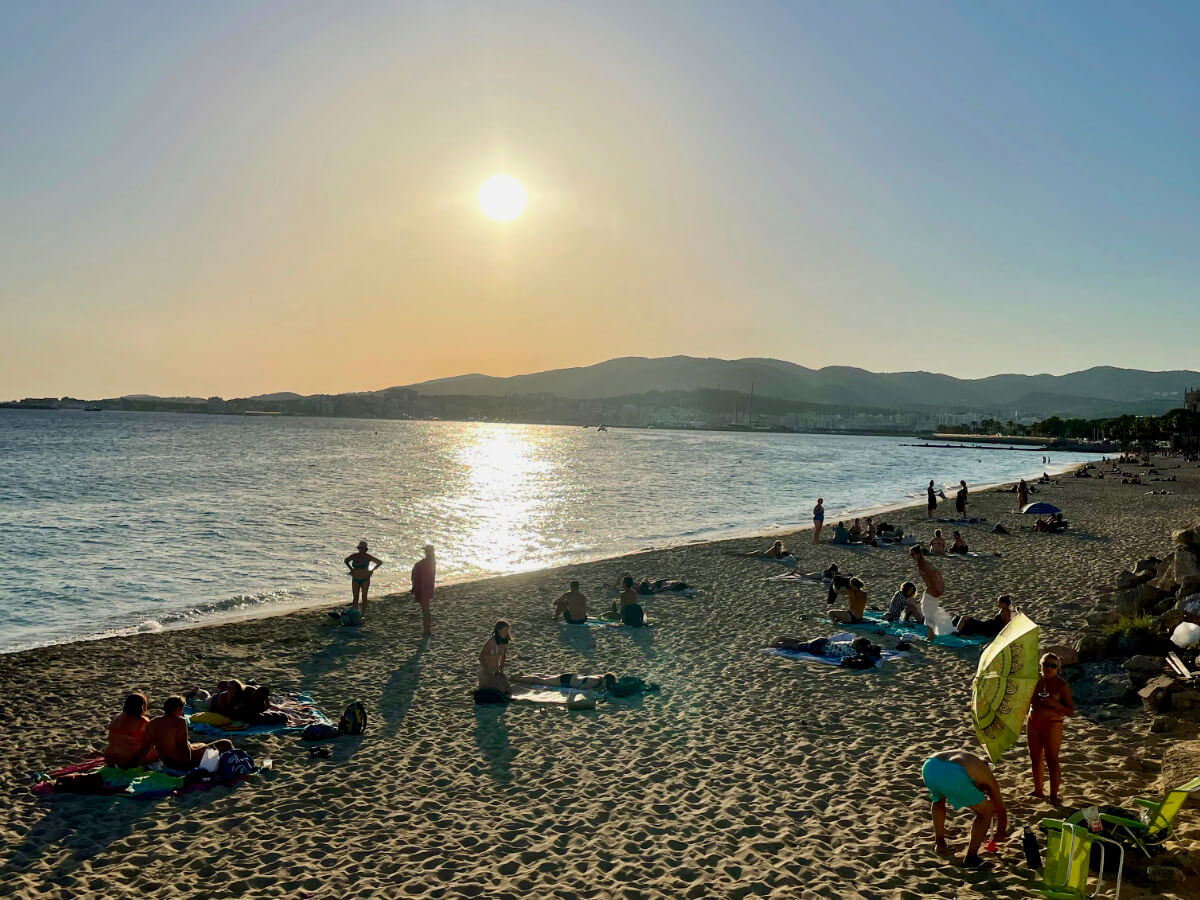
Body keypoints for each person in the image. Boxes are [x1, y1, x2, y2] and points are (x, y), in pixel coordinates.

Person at [922, 749, 1008, 868]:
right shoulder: (987, 775)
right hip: (954, 774)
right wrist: (1001, 831)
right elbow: (1000, 807)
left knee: (938, 800)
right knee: (986, 812)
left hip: (930, 766)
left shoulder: (970, 759)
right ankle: (971, 858)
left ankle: (940, 844)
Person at [1027, 652, 1074, 805]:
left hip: (1052, 724)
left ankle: (1054, 795)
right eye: (1046, 664)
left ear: (1057, 669)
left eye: (1053, 666)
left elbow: (1070, 710)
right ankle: (1038, 790)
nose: (1048, 668)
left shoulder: (1061, 685)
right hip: (1033, 722)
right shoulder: (1034, 681)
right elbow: (1025, 701)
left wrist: (1056, 705)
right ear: (1040, 665)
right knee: (1035, 757)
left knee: (1052, 760)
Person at [146, 696, 233, 771]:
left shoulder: (152, 723)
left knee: (200, 744)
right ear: (177, 709)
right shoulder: (179, 721)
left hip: (167, 762)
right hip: (182, 763)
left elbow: (148, 747)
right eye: (182, 710)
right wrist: (189, 766)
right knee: (226, 743)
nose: (182, 713)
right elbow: (183, 746)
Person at [105, 693, 151, 768]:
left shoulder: (116, 718)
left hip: (109, 759)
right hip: (126, 762)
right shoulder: (143, 722)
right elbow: (148, 745)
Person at [344, 541, 383, 617]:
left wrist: (372, 570)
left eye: (363, 549)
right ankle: (355, 612)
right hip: (355, 578)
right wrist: (351, 569)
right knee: (355, 596)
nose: (361, 550)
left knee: (364, 596)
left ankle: (363, 614)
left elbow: (379, 562)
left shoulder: (368, 557)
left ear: (366, 549)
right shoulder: (354, 556)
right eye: (360, 548)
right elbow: (346, 561)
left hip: (365, 578)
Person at [478, 621, 511, 693]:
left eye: (507, 631)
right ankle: (484, 687)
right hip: (485, 672)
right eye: (505, 630)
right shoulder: (491, 642)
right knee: (501, 690)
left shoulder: (505, 642)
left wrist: (501, 672)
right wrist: (487, 671)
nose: (506, 632)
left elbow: (503, 658)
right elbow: (481, 657)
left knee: (509, 690)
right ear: (499, 630)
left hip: (496, 671)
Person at [411, 544, 436, 636]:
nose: (425, 552)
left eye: (426, 551)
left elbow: (419, 575)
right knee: (426, 610)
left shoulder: (427, 562)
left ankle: (427, 630)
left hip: (423, 588)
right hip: (427, 588)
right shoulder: (431, 561)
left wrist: (415, 587)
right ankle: (427, 630)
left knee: (425, 610)